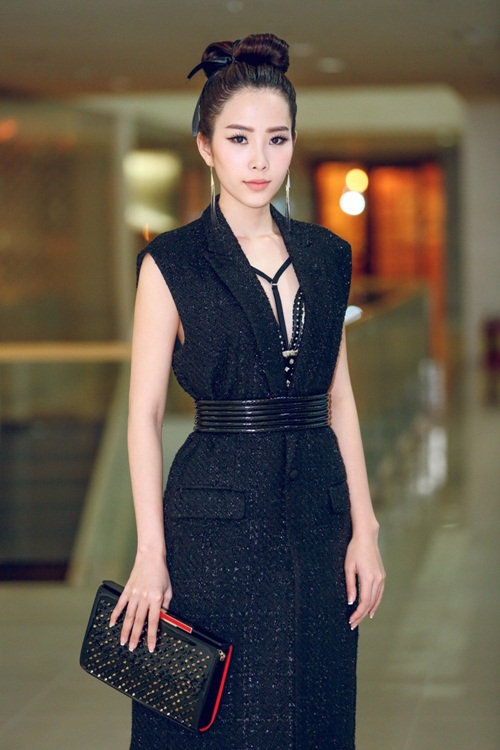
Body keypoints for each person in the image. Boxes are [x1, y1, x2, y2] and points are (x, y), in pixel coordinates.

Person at [110, 32, 385, 750]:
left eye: (276, 139)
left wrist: (365, 528)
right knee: (214, 719)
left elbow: (340, 399)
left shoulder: (326, 256)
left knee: (314, 711)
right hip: (214, 524)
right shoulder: (170, 262)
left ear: (293, 143)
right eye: (239, 139)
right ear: (205, 146)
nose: (259, 160)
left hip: (318, 515)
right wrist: (150, 551)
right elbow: (143, 414)